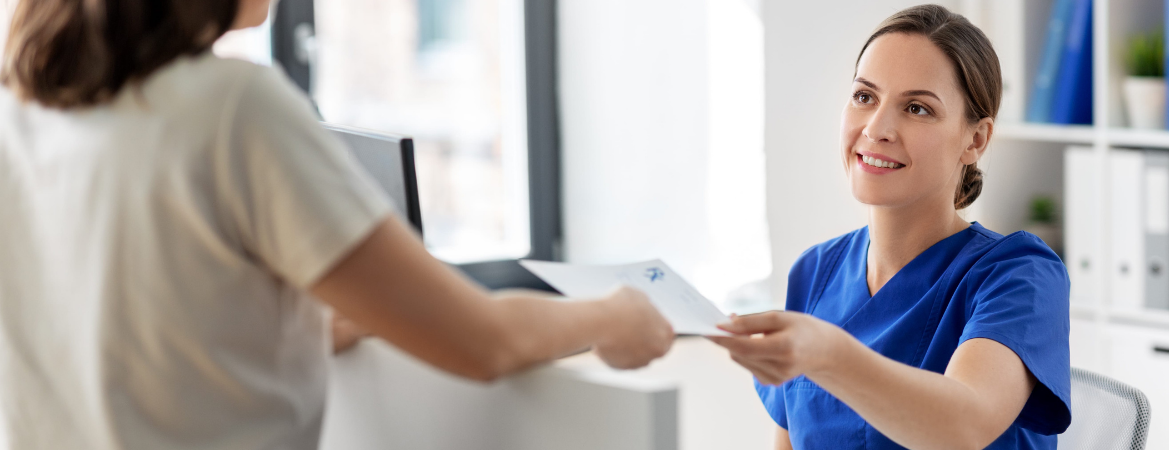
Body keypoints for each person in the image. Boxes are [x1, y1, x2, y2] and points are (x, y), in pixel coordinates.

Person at [0, 0, 676, 448]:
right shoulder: (232, 107)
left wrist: (336, 318)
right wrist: (612, 316)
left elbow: (146, 330)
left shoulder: (21, 115)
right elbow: (481, 341)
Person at [708, 5, 1070, 450]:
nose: (877, 128)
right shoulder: (815, 272)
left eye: (917, 108)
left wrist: (829, 354)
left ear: (974, 140)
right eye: (864, 97)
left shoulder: (1019, 275)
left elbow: (964, 427)